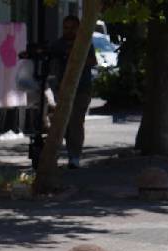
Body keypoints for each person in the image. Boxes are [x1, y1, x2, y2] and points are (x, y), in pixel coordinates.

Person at [49, 15, 97, 168]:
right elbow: (50, 58)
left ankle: (74, 156)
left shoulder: (84, 43)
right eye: (65, 28)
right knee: (62, 122)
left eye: (71, 28)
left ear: (78, 28)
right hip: (62, 88)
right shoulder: (58, 44)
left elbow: (93, 61)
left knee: (76, 121)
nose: (68, 31)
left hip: (81, 89)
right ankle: (54, 155)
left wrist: (76, 56)